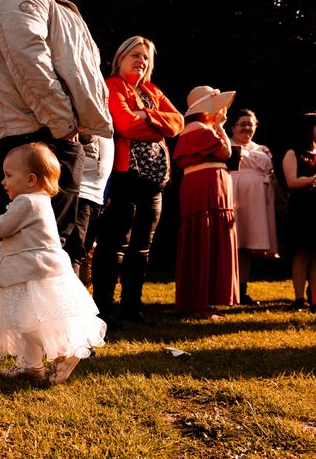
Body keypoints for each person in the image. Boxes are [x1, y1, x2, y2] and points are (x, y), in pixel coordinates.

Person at [0, 0, 113, 247]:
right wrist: (63, 123)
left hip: (54, 131)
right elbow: (30, 63)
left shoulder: (53, 0)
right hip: (34, 132)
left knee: (61, 249)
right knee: (41, 250)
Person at [0, 143, 106, 385]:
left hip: (29, 272)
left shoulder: (27, 202)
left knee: (24, 322)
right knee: (28, 320)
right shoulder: (38, 201)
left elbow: (1, 228)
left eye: (9, 175)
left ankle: (65, 351)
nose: (3, 181)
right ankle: (31, 366)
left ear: (31, 179)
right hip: (36, 269)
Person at [90, 36, 184, 326]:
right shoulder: (112, 86)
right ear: (119, 58)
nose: (140, 61)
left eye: (145, 57)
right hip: (126, 176)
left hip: (155, 181)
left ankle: (132, 308)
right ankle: (103, 310)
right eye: (134, 55)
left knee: (143, 245)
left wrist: (146, 115)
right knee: (114, 243)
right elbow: (124, 124)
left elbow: (178, 122)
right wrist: (157, 125)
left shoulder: (152, 91)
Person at [173, 85, 239, 319]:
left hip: (210, 185)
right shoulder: (198, 129)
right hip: (206, 186)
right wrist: (220, 126)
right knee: (203, 237)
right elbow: (225, 153)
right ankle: (197, 302)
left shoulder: (201, 128)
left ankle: (204, 300)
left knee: (207, 237)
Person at [228, 109, 278, 306]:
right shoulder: (225, 146)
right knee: (230, 244)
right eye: (242, 124)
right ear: (232, 127)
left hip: (256, 203)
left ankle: (242, 290)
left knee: (246, 248)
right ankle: (224, 289)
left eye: (250, 124)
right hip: (233, 197)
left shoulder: (261, 149)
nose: (246, 128)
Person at [64, 135, 114, 278]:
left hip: (95, 197)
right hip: (79, 194)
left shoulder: (104, 121)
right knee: (73, 251)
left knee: (81, 250)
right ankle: (69, 297)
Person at [281, 113, 316, 312]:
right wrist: (313, 179)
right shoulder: (293, 153)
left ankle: (315, 301)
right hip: (302, 208)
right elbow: (291, 182)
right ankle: (298, 299)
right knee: (302, 254)